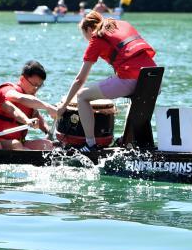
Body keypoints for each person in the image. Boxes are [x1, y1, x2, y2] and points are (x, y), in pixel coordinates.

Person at [56, 11, 157, 152]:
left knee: (82, 96)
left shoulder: (96, 38)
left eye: (84, 35)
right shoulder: (120, 24)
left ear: (89, 30)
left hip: (132, 80)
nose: (87, 39)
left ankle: (90, 145)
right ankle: (127, 140)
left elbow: (80, 79)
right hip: (154, 79)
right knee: (134, 100)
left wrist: (64, 106)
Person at [0, 61, 58, 150]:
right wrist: (47, 107)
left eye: (39, 86)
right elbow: (20, 98)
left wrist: (48, 132)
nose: (36, 89)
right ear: (22, 79)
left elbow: (37, 116)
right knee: (16, 145)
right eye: (34, 84)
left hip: (20, 142)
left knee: (48, 145)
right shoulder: (7, 89)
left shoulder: (31, 100)